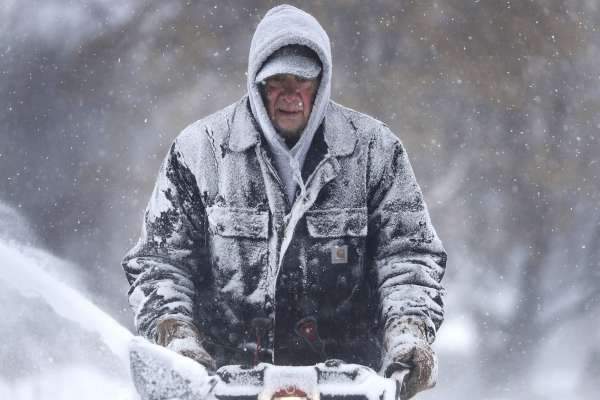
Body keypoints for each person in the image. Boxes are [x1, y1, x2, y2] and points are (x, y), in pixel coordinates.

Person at [122, 5, 446, 399]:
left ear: (322, 81)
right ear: (257, 83)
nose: (291, 94)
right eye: (278, 80)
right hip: (225, 384)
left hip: (347, 385)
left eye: (303, 79)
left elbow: (408, 257)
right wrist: (176, 336)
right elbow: (160, 263)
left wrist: (407, 332)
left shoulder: (375, 151)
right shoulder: (200, 152)